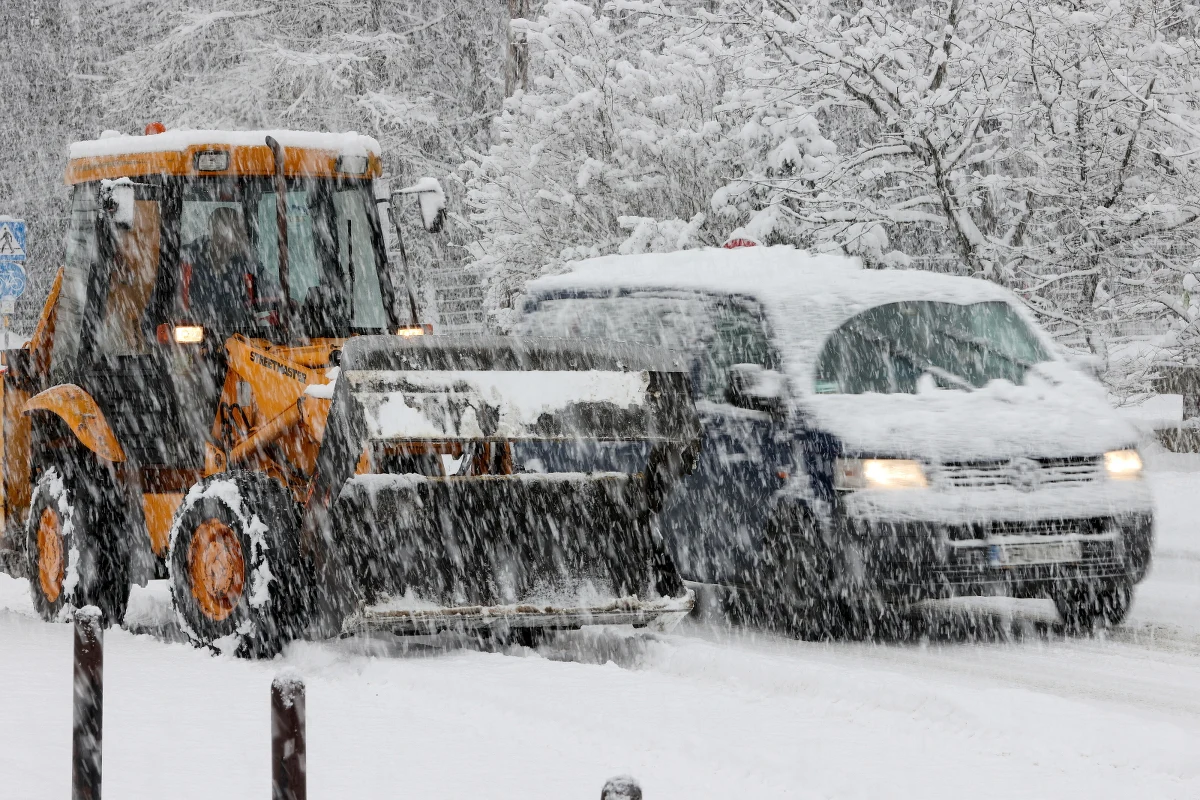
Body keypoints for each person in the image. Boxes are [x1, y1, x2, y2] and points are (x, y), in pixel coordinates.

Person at [181, 206, 260, 330]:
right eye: (222, 232)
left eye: (236, 232)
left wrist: (283, 304)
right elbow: (167, 303)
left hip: (241, 332)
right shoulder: (188, 261)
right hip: (194, 333)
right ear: (211, 230)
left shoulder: (246, 264)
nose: (229, 239)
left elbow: (267, 293)